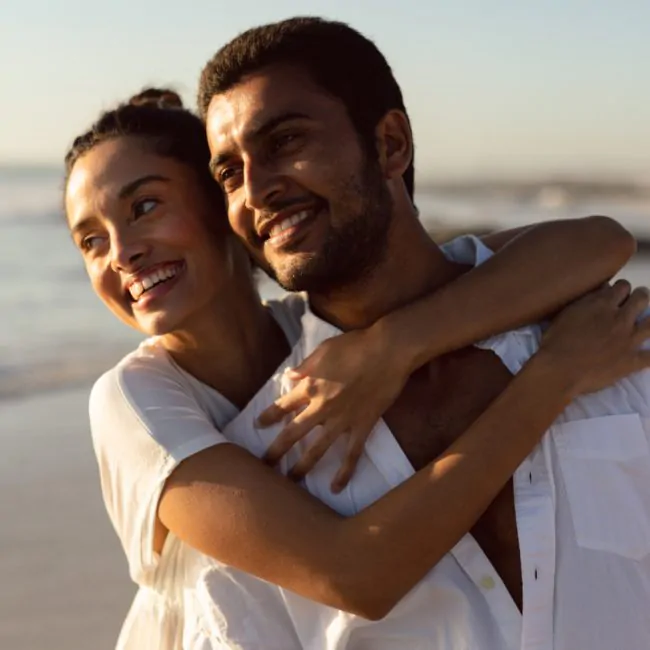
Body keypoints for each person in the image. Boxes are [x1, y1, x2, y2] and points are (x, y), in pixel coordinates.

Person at [65, 89, 642, 649]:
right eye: (90, 240)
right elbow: (352, 575)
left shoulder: (321, 326)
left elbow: (593, 243)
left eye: (144, 208)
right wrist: (554, 376)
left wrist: (393, 344)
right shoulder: (135, 396)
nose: (121, 252)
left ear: (222, 206)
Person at [193, 16, 650, 649]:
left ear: (390, 145)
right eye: (228, 174)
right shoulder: (266, 463)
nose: (258, 189)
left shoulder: (610, 336)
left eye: (286, 140)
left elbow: (605, 237)